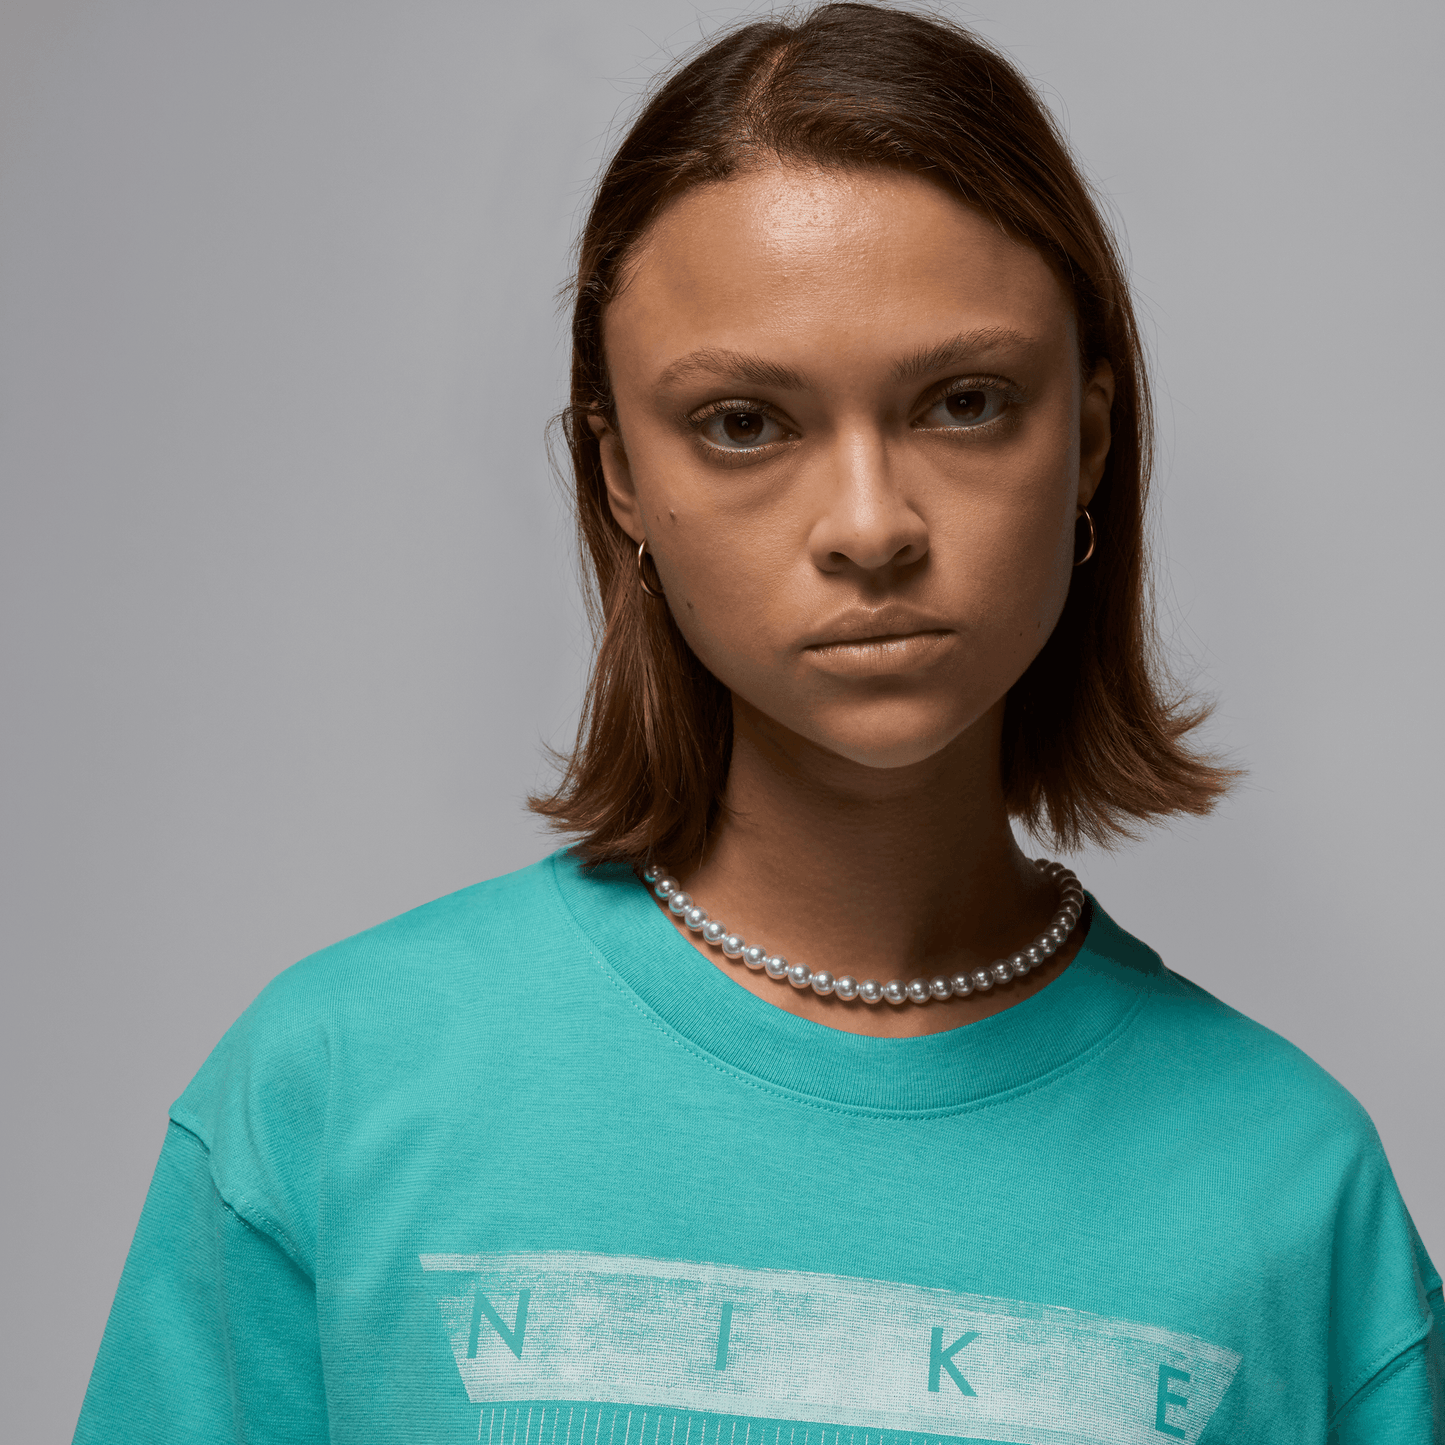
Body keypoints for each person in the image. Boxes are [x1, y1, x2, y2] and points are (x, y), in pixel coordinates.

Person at [73, 5, 1441, 1441]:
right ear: (619, 474)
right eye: (743, 423)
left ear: (1090, 436)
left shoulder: (1293, 1191)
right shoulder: (334, 1095)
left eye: (965, 403)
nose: (870, 524)